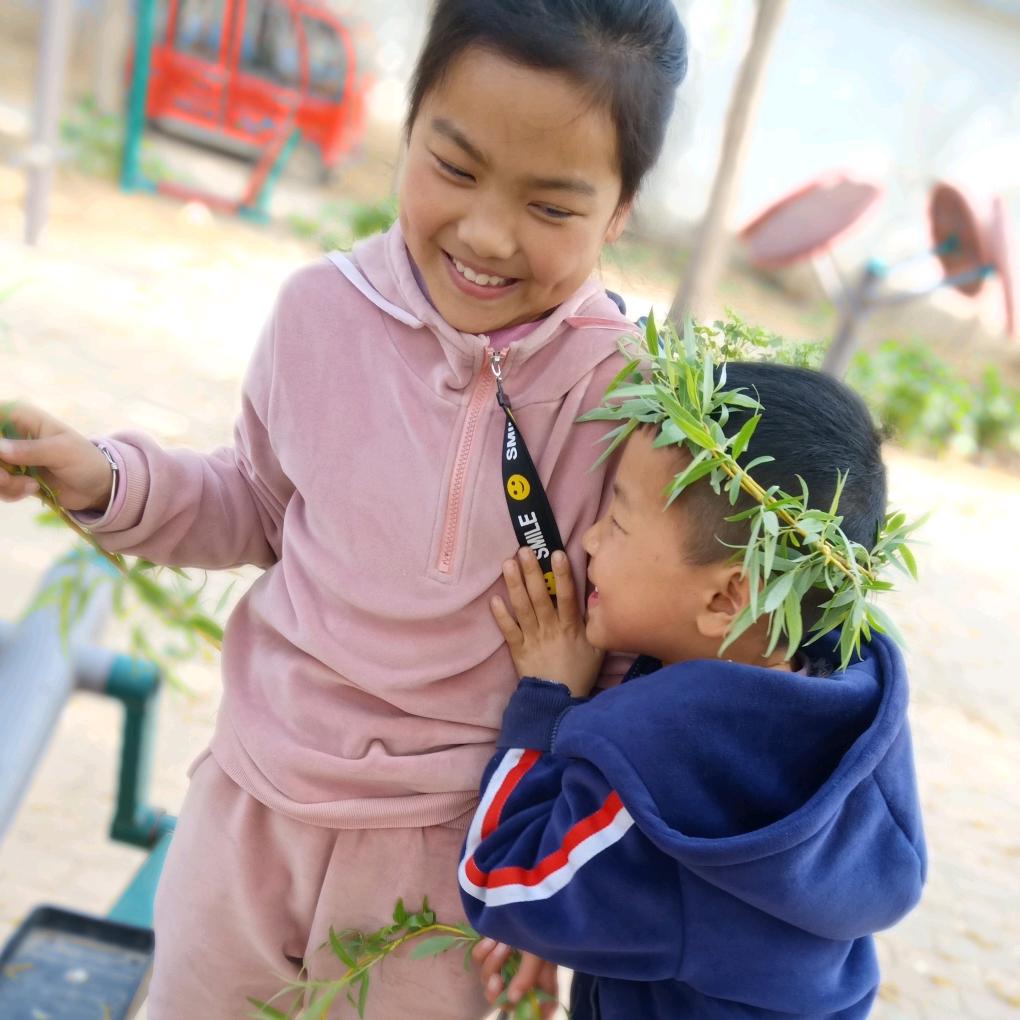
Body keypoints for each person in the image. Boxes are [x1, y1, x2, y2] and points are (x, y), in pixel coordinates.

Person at [0, 1, 689, 1016]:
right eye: (452, 168)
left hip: (451, 861)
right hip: (252, 808)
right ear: (406, 128)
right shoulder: (318, 314)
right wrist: (108, 480)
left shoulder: (629, 398)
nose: (488, 234)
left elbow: (631, 656)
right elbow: (253, 503)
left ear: (620, 212)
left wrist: (547, 877)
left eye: (552, 208)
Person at [461, 362, 927, 1019]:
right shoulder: (853, 707)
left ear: (727, 595)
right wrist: (581, 922)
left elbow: (498, 879)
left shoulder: (660, 770)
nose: (590, 540)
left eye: (617, 522)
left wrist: (547, 695)